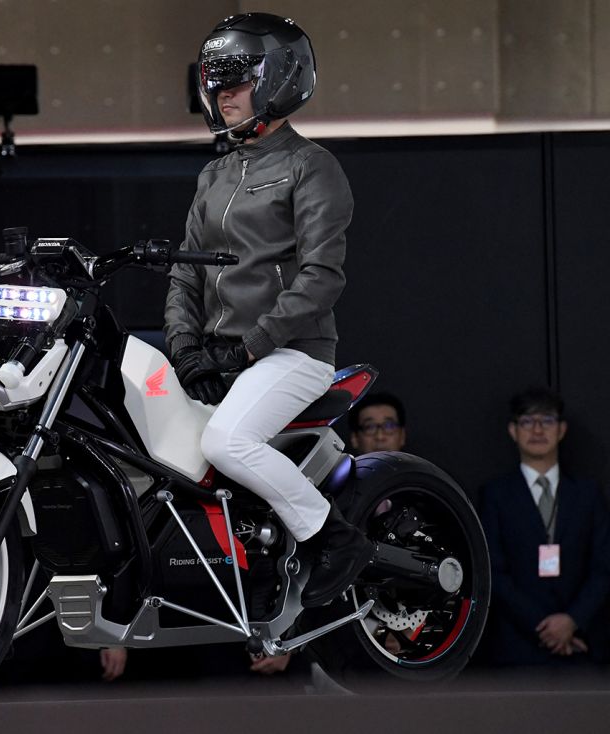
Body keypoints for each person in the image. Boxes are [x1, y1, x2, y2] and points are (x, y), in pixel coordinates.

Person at [164, 12, 369, 609]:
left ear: (278, 79)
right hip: (223, 357)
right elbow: (185, 271)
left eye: (236, 81)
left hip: (293, 353)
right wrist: (185, 347)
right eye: (215, 82)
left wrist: (249, 346)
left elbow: (321, 278)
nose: (221, 94)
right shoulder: (214, 174)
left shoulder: (311, 165)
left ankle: (333, 537)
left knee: (227, 442)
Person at [477, 387, 610, 667]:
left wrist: (572, 621)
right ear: (513, 430)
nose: (537, 430)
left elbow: (603, 567)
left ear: (561, 429)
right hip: (516, 648)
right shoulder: (495, 495)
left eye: (547, 420)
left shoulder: (588, 493)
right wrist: (545, 628)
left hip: (581, 645)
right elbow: (493, 571)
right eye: (527, 421)